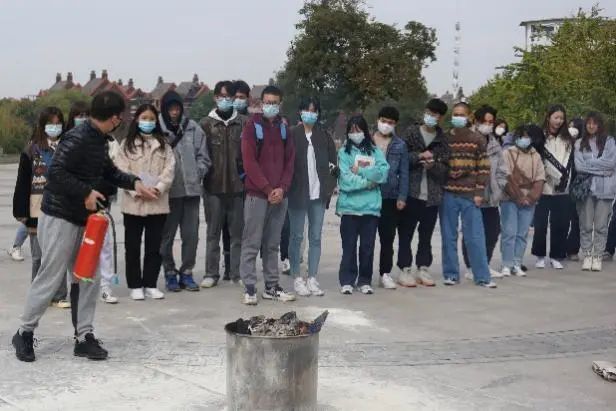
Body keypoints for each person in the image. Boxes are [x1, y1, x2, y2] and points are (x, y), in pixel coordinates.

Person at [12, 91, 158, 362]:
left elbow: (109, 172)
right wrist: (86, 193)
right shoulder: (77, 138)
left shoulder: (99, 139)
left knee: (87, 277)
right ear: (114, 118)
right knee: (51, 275)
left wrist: (135, 183)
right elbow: (56, 173)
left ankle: (84, 336)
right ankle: (24, 332)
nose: (120, 121)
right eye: (120, 117)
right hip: (60, 217)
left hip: (84, 220)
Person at [239, 85, 296, 305]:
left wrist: (282, 188)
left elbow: (290, 162)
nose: (270, 106)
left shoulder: (284, 129)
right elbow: (249, 162)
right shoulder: (251, 127)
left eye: (275, 102)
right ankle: (250, 286)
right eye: (267, 102)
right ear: (261, 104)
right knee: (251, 242)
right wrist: (267, 189)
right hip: (258, 195)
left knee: (272, 244)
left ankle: (272, 286)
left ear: (280, 104)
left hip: (280, 196)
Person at [13, 106, 71, 308]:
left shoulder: (68, 147)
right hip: (37, 210)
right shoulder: (31, 150)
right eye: (50, 123)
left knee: (59, 255)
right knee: (39, 256)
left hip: (62, 210)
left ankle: (59, 295)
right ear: (42, 125)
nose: (54, 127)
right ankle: (38, 296)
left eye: (58, 123)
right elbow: (22, 183)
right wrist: (21, 212)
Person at [115, 104, 175, 300]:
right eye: (144, 118)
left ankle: (150, 283)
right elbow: (121, 171)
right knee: (132, 246)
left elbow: (169, 170)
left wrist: (158, 188)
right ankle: (135, 285)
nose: (148, 122)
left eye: (151, 119)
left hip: (157, 203)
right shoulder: (127, 144)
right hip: (134, 204)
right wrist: (137, 190)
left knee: (154, 246)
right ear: (137, 120)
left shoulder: (164, 145)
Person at [67, 101, 120, 304]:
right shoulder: (68, 141)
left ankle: (105, 286)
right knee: (75, 248)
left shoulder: (108, 142)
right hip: (73, 203)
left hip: (99, 201)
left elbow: (114, 172)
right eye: (78, 115)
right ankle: (75, 286)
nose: (82, 119)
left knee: (103, 244)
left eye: (85, 115)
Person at [440, 102, 496, 288]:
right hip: (448, 193)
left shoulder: (477, 138)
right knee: (448, 236)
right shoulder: (445, 138)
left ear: (469, 116)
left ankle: (482, 276)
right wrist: (449, 171)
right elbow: (441, 162)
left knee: (475, 237)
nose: (458, 117)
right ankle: (451, 274)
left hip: (470, 194)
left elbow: (484, 167)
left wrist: (479, 191)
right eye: (455, 114)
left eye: (461, 114)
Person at [159, 90, 210, 292]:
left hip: (191, 192)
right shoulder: (157, 130)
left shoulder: (193, 128)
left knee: (191, 236)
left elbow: (204, 156)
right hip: (168, 193)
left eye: (177, 108)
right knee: (166, 236)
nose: (174, 112)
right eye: (170, 108)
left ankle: (187, 271)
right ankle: (169, 272)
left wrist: (197, 173)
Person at [287, 97, 337, 297]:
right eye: (307, 110)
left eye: (314, 110)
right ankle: (296, 276)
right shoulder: (292, 134)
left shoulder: (324, 136)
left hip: (318, 194)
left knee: (315, 236)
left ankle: (312, 277)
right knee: (297, 236)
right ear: (300, 112)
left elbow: (333, 165)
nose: (311, 114)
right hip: (297, 193)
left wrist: (329, 187)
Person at [200, 81, 246, 288]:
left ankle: (237, 272)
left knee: (237, 235)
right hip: (213, 188)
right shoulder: (205, 124)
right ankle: (211, 273)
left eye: (229, 96)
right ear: (215, 98)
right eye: (221, 96)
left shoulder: (244, 123)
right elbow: (201, 155)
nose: (225, 100)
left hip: (238, 188)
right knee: (213, 234)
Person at [337, 115, 389, 295]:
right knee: (349, 247)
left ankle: (365, 280)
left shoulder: (375, 151)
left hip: (370, 208)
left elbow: (383, 173)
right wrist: (368, 182)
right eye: (351, 130)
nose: (355, 133)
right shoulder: (343, 153)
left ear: (365, 131)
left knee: (367, 248)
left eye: (358, 130)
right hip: (349, 208)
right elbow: (346, 181)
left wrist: (360, 170)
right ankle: (347, 280)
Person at [400, 98, 449, 287]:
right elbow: (402, 157)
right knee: (406, 233)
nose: (430, 116)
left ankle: (423, 268)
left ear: (441, 118)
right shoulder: (412, 133)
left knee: (426, 235)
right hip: (411, 192)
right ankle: (405, 269)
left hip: (432, 196)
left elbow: (446, 168)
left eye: (435, 114)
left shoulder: (442, 139)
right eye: (429, 112)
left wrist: (433, 166)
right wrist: (419, 156)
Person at [496, 125, 546, 276]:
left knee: (522, 233)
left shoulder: (536, 156)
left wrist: (530, 197)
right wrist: (518, 196)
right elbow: (505, 175)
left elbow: (540, 178)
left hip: (529, 199)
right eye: (521, 136)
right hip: (509, 198)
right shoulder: (507, 153)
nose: (524, 139)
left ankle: (517, 262)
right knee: (509, 232)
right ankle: (506, 263)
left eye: (527, 137)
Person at [531, 105, 574, 269]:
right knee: (540, 224)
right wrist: (550, 175)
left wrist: (563, 179)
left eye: (561, 118)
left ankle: (557, 255)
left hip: (562, 188)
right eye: (556, 117)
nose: (559, 121)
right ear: (548, 117)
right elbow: (537, 160)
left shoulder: (567, 139)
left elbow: (569, 161)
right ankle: (540, 255)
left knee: (560, 223)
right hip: (543, 185)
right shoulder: (540, 136)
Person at [462, 106, 503, 279]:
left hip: (491, 196)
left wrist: (499, 187)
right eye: (484, 121)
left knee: (493, 231)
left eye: (491, 122)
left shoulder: (494, 143)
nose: (488, 125)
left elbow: (502, 169)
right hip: (472, 195)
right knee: (472, 232)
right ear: (477, 121)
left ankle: (484, 264)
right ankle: (471, 267)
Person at [573, 112, 616, 272]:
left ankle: (597, 255)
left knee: (601, 225)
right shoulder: (579, 143)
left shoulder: (609, 142)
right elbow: (579, 167)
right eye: (589, 123)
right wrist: (601, 169)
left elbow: (610, 164)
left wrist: (590, 164)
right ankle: (587, 254)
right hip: (586, 189)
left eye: (594, 123)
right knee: (585, 224)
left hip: (606, 189)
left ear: (599, 125)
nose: (591, 126)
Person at [372, 106, 409, 290]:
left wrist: (402, 196)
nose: (386, 125)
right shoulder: (368, 141)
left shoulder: (400, 145)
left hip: (390, 197)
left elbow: (404, 172)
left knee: (387, 239)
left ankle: (384, 273)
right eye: (384, 121)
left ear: (395, 125)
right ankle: (363, 275)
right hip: (368, 195)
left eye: (391, 123)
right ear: (378, 120)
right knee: (367, 239)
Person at [566, 117, 584, 261]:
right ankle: (560, 248)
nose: (571, 129)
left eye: (574, 127)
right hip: (562, 187)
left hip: (577, 186)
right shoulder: (563, 143)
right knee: (562, 220)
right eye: (570, 126)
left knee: (576, 219)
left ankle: (572, 249)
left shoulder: (583, 146)